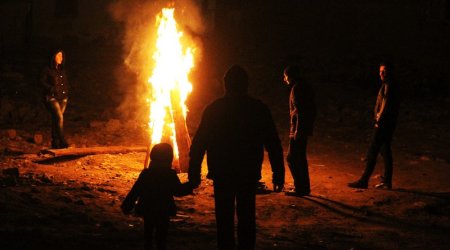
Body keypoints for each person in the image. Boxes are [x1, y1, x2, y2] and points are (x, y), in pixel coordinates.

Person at [188, 65, 285, 250]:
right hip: (247, 171)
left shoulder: (214, 109)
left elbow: (199, 143)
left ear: (226, 85)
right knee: (246, 216)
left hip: (222, 171)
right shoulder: (258, 108)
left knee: (223, 218)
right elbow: (273, 143)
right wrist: (278, 173)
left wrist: (194, 173)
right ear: (246, 84)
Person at [121, 143, 192, 250]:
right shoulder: (169, 174)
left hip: (148, 207)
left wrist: (127, 205)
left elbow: (136, 190)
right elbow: (178, 191)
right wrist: (190, 185)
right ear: (169, 158)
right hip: (164, 209)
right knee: (162, 236)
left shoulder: (146, 173)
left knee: (148, 233)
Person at [348, 61, 400, 189]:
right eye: (380, 71)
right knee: (385, 150)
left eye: (384, 71)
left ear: (390, 72)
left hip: (383, 124)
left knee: (373, 151)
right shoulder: (388, 85)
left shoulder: (389, 86)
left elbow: (386, 105)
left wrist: (379, 121)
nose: (381, 74)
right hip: (388, 123)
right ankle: (387, 181)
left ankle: (364, 180)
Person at [283, 65, 317, 196]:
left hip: (299, 128)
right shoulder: (303, 86)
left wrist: (298, 130)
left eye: (285, 76)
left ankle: (300, 187)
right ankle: (303, 187)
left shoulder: (297, 88)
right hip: (302, 127)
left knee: (292, 158)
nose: (284, 79)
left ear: (290, 76)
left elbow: (301, 111)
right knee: (300, 157)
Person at [40, 49, 69, 149]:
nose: (61, 58)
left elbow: (65, 83)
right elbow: (41, 82)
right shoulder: (47, 70)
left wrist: (66, 93)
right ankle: (62, 141)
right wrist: (51, 89)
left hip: (63, 98)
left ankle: (55, 142)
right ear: (53, 57)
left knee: (56, 119)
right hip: (51, 97)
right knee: (60, 118)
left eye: (62, 56)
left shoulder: (62, 70)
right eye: (59, 56)